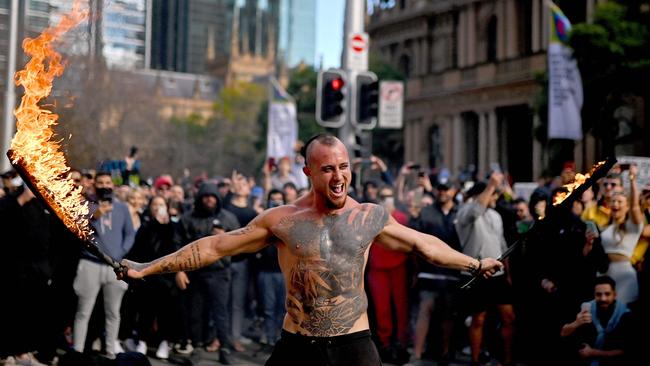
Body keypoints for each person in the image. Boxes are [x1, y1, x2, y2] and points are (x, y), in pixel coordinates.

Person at [120, 134, 502, 366]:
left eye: (344, 167)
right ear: (308, 172)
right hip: (298, 345)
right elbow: (215, 247)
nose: (339, 177)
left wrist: (475, 263)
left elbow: (424, 245)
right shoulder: (283, 220)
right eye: (327, 169)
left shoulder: (369, 216)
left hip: (354, 345)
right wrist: (147, 267)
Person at [73, 171, 136, 358]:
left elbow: (130, 234)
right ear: (94, 185)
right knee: (83, 311)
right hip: (90, 263)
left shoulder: (122, 208)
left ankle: (109, 352)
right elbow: (79, 231)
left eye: (108, 182)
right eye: (100, 182)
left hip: (114, 267)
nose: (104, 185)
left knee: (113, 312)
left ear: (113, 185)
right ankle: (76, 352)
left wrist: (120, 253)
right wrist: (96, 215)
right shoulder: (85, 205)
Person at [455, 174, 515, 366]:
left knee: (509, 317)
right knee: (478, 318)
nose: (495, 199)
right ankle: (475, 360)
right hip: (476, 274)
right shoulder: (465, 211)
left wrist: (508, 273)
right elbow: (475, 212)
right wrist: (490, 185)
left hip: (498, 275)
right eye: (492, 195)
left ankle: (507, 360)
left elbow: (502, 245)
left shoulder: (496, 215)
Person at [560, 275, 633, 366]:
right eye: (598, 294)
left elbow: (627, 351)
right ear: (594, 294)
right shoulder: (586, 308)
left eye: (607, 294)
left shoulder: (625, 315)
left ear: (614, 295)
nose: (603, 298)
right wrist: (576, 323)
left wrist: (593, 352)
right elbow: (563, 333)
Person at [599, 164, 643, 305]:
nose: (615, 204)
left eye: (619, 202)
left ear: (627, 206)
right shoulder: (605, 228)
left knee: (621, 313)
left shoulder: (632, 226)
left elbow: (636, 206)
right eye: (613, 202)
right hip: (605, 275)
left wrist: (632, 179)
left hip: (625, 275)